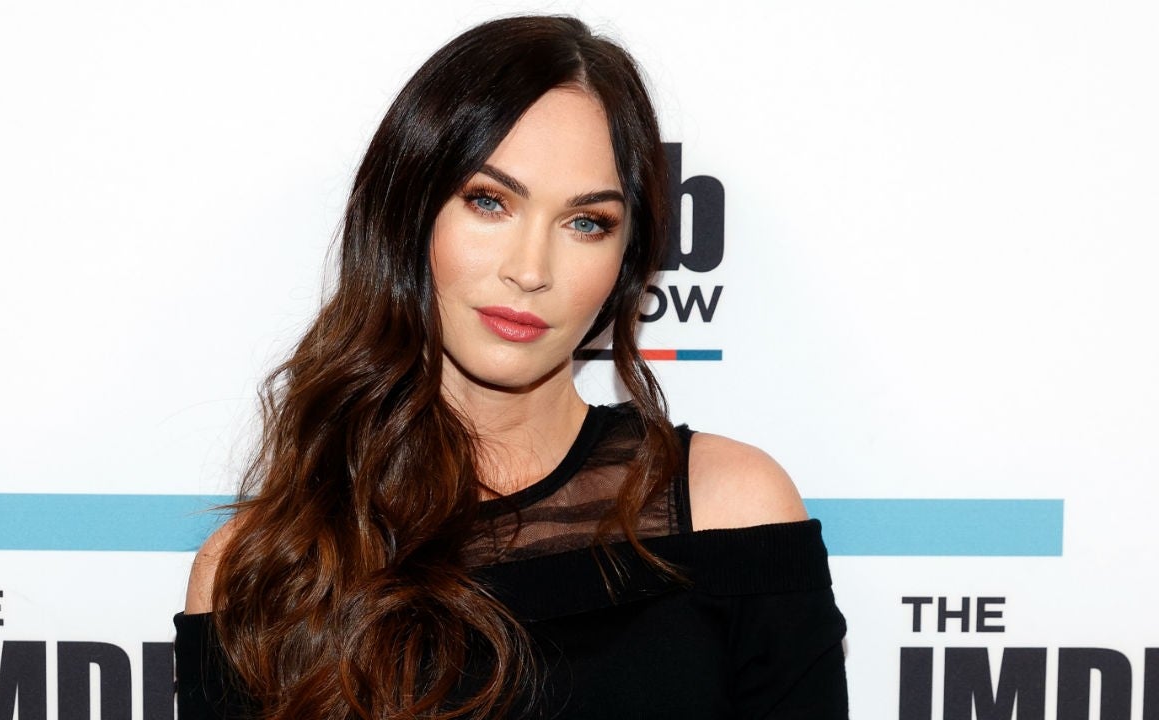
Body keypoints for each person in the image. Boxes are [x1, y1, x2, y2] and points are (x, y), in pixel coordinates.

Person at [175, 14, 848, 720]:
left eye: (586, 222)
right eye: (489, 201)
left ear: (627, 258)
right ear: (408, 215)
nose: (530, 270)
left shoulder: (730, 510)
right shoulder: (258, 573)